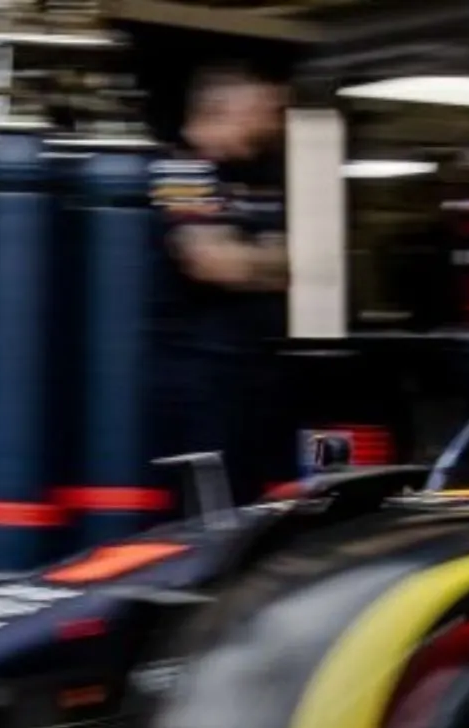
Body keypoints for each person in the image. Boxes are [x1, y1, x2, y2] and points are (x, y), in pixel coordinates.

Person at [148, 63, 290, 502]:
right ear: (224, 109)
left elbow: (303, 261)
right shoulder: (181, 170)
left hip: (246, 376)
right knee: (211, 514)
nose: (271, 122)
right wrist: (267, 260)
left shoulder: (246, 180)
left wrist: (255, 260)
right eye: (261, 110)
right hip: (199, 384)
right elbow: (214, 263)